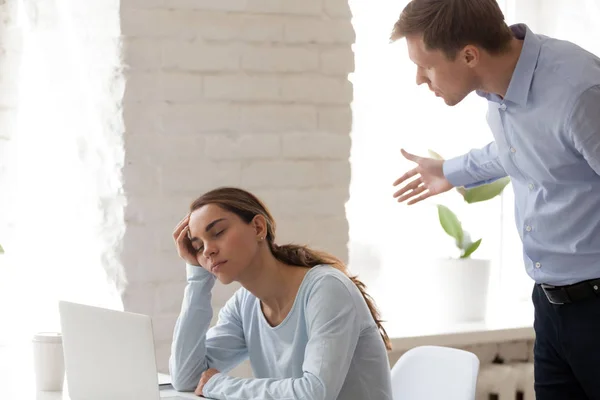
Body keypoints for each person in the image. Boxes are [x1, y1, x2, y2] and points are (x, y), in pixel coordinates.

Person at [390, 0, 600, 399]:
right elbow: (526, 148)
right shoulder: (503, 90)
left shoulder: (578, 91)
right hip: (551, 306)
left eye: (426, 65)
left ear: (469, 54)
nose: (420, 78)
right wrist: (449, 171)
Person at [168, 187, 393, 400]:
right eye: (198, 247)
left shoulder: (327, 289)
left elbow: (315, 392)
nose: (208, 250)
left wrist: (217, 384)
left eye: (218, 232)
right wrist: (198, 277)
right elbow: (187, 378)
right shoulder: (243, 305)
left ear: (258, 228)